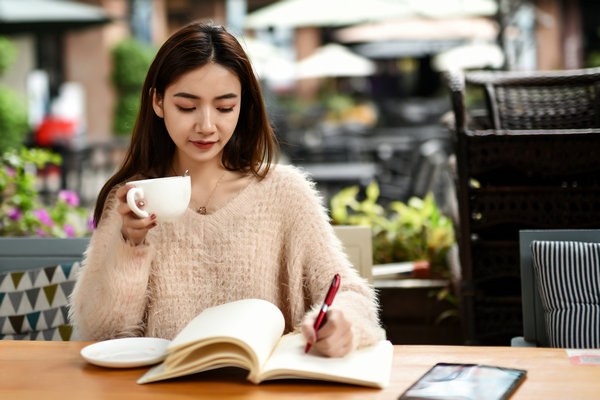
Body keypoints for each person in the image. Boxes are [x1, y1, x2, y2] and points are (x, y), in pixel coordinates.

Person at [69, 22, 384, 358]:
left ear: (243, 106)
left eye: (224, 107)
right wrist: (131, 245)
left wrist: (341, 322)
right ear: (158, 102)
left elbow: (351, 293)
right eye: (187, 107)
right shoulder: (133, 198)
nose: (206, 125)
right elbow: (100, 335)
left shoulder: (285, 193)